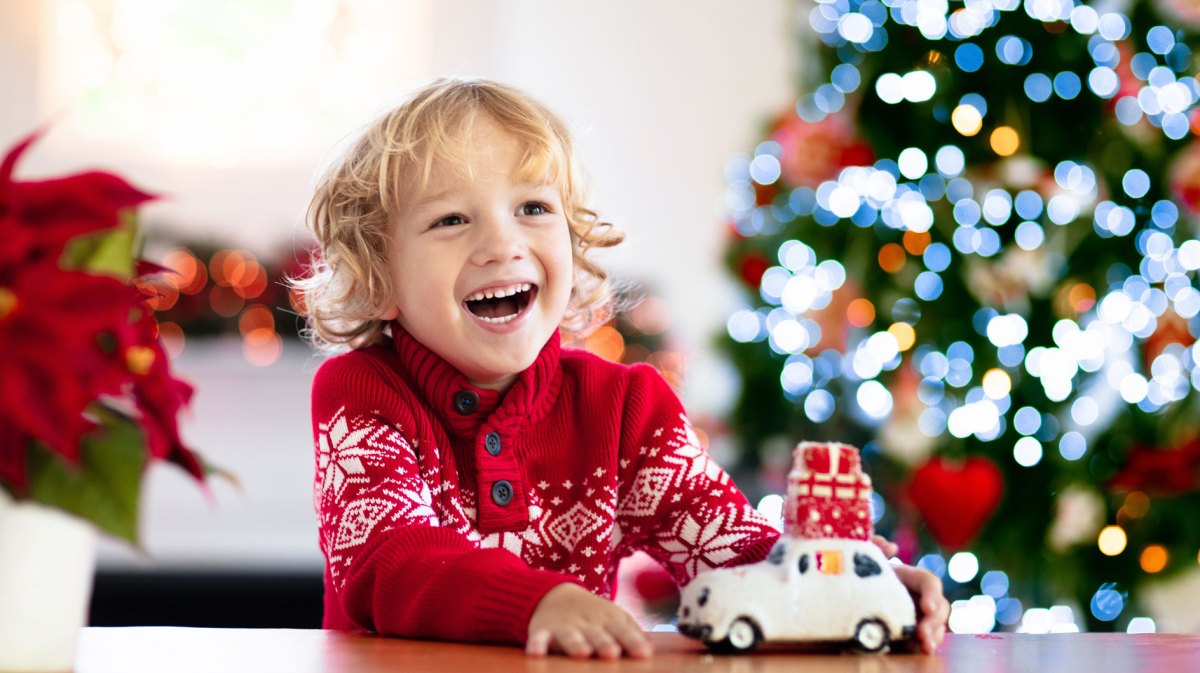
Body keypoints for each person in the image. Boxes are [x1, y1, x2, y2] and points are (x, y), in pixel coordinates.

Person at [297, 77, 949, 659]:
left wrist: (851, 580)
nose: (502, 243)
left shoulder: (624, 407)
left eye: (533, 208)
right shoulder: (363, 392)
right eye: (450, 219)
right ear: (380, 280)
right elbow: (386, 558)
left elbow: (728, 544)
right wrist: (533, 602)